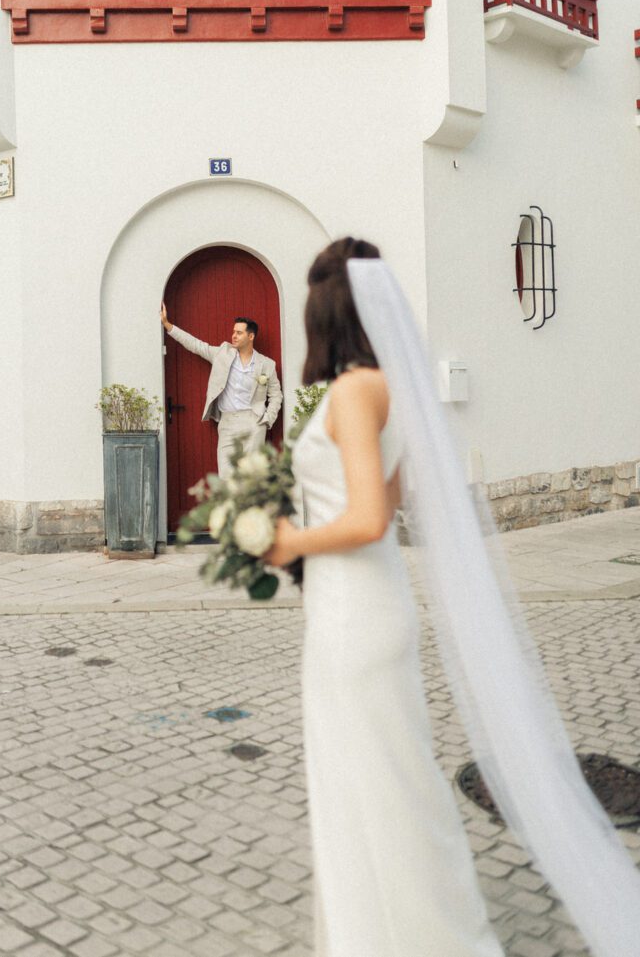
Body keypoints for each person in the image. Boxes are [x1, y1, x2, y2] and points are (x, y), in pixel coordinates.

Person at [266, 237, 640, 957]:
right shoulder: (389, 389)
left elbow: (371, 516)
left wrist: (287, 541)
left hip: (352, 619)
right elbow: (394, 496)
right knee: (389, 783)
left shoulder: (351, 391)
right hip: (372, 607)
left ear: (325, 308)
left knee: (377, 788)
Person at [160, 304, 282, 477]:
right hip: (228, 423)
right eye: (233, 331)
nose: (234, 335)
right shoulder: (222, 354)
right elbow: (196, 345)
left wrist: (267, 419)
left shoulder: (267, 364)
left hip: (253, 422)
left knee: (252, 479)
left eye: (239, 332)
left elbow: (276, 395)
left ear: (251, 336)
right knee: (226, 478)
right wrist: (168, 325)